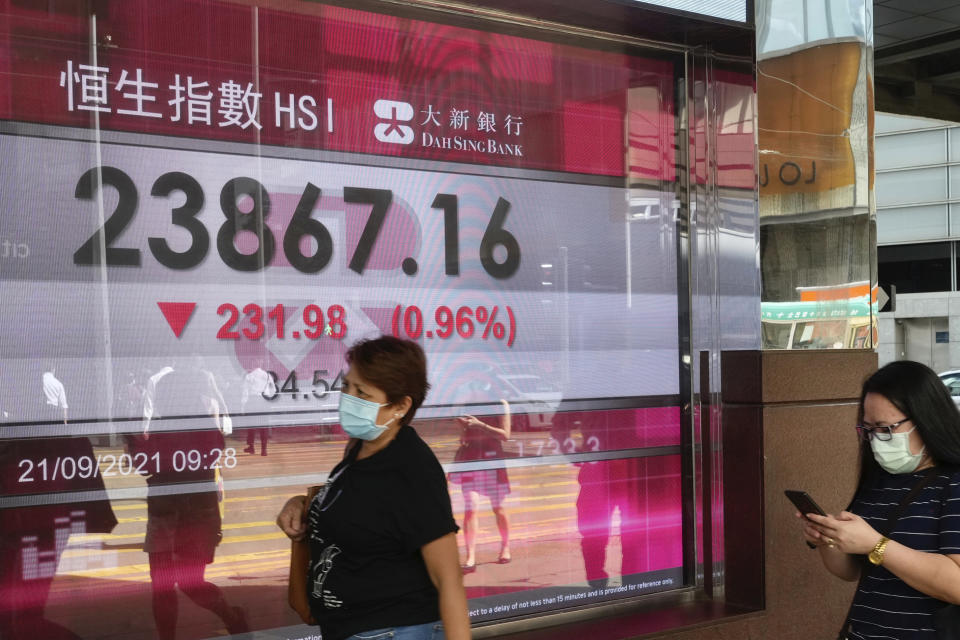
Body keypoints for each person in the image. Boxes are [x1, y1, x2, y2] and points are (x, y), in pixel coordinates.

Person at [276, 336, 470, 640]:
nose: (348, 398)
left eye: (362, 393)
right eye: (347, 387)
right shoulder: (359, 450)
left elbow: (448, 579)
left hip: (396, 631)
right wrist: (299, 503)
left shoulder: (412, 468)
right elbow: (355, 507)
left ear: (401, 406)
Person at [799, 360, 960, 639]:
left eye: (885, 429)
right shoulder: (879, 481)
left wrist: (877, 545)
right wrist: (829, 539)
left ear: (926, 419)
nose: (875, 440)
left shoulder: (953, 482)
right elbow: (851, 571)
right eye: (868, 430)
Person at [132, 362, 247, 639]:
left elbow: (142, 464)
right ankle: (231, 617)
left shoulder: (167, 431)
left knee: (167, 586)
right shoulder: (206, 430)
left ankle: (230, 617)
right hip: (195, 516)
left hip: (172, 515)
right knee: (189, 583)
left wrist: (136, 442)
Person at [450, 399, 512, 572]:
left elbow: (505, 435)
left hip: (492, 459)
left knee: (498, 507)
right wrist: (462, 426)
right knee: (470, 508)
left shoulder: (501, 404)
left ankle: (505, 547)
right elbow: (463, 438)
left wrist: (480, 425)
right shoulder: (469, 401)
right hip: (471, 458)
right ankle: (470, 557)